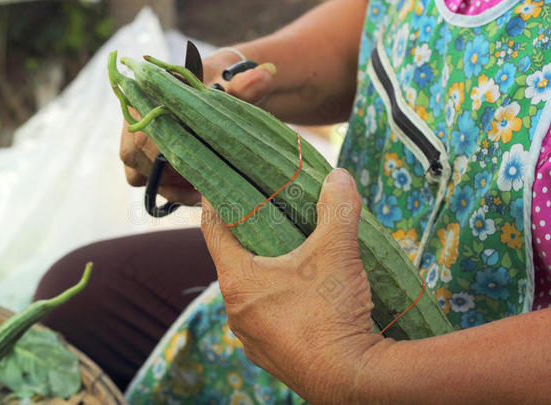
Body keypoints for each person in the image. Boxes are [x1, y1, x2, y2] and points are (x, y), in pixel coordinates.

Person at [35, 0, 551, 402]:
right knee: (75, 296)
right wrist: (233, 76)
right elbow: (387, 25)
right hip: (316, 253)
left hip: (459, 373)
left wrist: (363, 377)